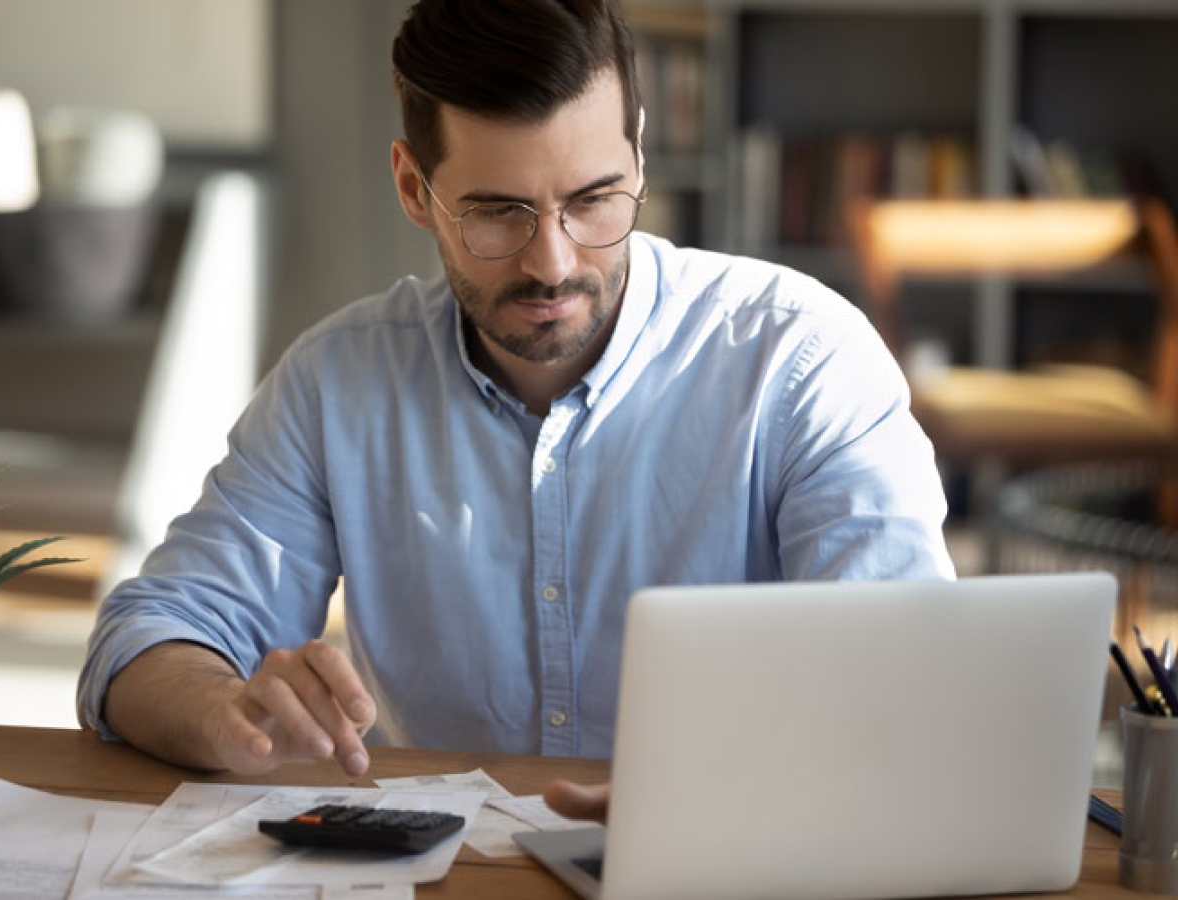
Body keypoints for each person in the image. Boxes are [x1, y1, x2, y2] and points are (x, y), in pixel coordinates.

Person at [77, 0, 954, 793]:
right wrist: (224, 711)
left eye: (595, 200)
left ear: (639, 155)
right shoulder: (336, 383)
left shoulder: (800, 360)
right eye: (498, 212)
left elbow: (910, 676)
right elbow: (147, 635)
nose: (555, 262)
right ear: (415, 189)